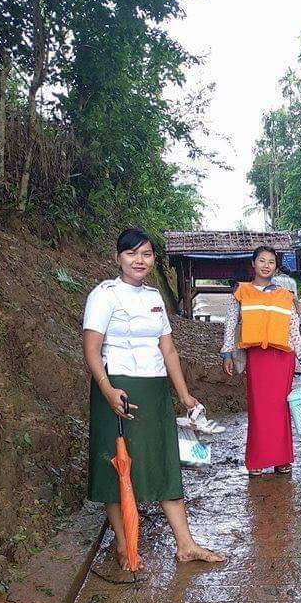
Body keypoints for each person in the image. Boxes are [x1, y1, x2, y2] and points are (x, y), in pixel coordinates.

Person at [83, 229, 225, 570]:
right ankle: (123, 543)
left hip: (155, 388)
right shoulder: (104, 295)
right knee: (117, 467)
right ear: (118, 257)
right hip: (118, 390)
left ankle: (186, 544)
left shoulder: (154, 296)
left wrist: (184, 394)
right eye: (132, 254)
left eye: (146, 254)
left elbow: (169, 349)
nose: (139, 260)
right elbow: (91, 349)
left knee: (164, 463)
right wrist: (106, 388)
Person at [221, 245, 301, 476]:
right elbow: (230, 324)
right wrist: (227, 352)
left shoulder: (285, 295)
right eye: (262, 260)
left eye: (271, 262)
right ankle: (257, 460)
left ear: (276, 266)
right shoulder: (241, 292)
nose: (266, 265)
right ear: (253, 264)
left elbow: (293, 329)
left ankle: (282, 459)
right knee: (259, 409)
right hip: (257, 358)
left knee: (281, 408)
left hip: (283, 358)